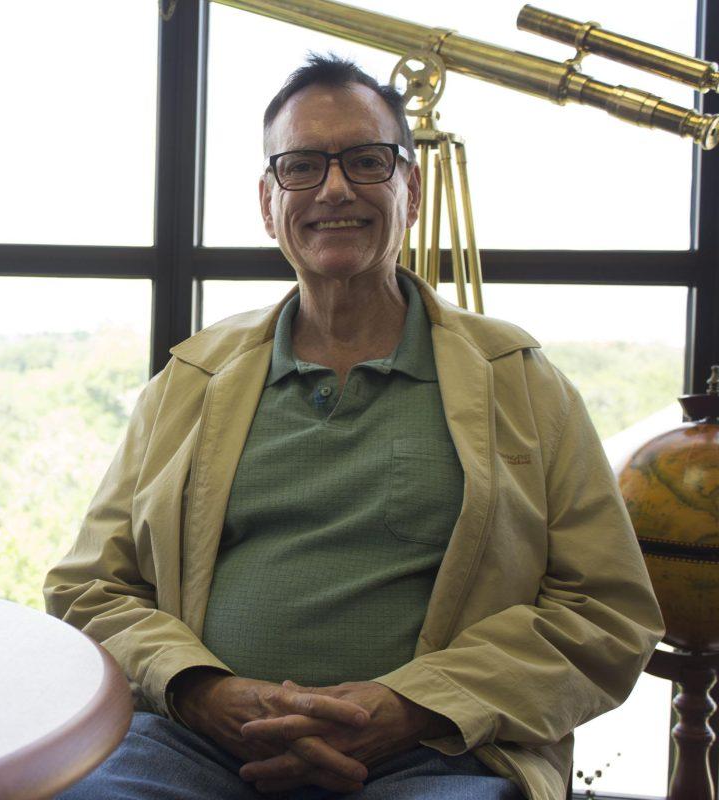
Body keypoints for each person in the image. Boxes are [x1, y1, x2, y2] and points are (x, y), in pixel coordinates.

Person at [44, 53, 663, 800]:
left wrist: (413, 705)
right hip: (194, 744)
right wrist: (203, 691)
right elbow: (90, 591)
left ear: (413, 187)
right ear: (269, 203)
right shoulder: (190, 383)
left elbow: (607, 612)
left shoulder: (519, 382)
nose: (335, 188)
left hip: (439, 752)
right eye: (302, 166)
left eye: (366, 161)